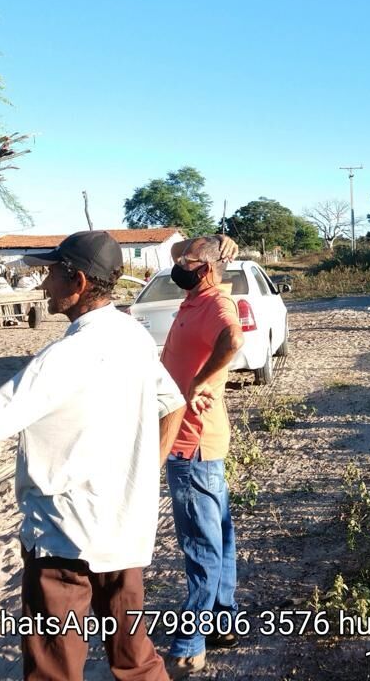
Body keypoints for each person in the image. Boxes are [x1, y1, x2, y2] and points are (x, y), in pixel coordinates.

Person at [0, 230, 187, 681]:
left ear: (76, 281)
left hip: (62, 538)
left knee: (54, 667)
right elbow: (173, 403)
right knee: (136, 659)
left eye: (51, 273)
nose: (43, 283)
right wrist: (145, 471)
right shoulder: (131, 336)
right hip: (121, 526)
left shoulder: (67, 355)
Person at [160, 234, 243, 679]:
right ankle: (222, 623)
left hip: (191, 442)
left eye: (188, 261)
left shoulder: (215, 304)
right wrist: (214, 240)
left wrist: (202, 382)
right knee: (220, 536)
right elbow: (182, 251)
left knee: (200, 544)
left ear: (207, 269)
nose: (179, 265)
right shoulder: (196, 295)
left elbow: (233, 339)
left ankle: (191, 641)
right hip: (196, 441)